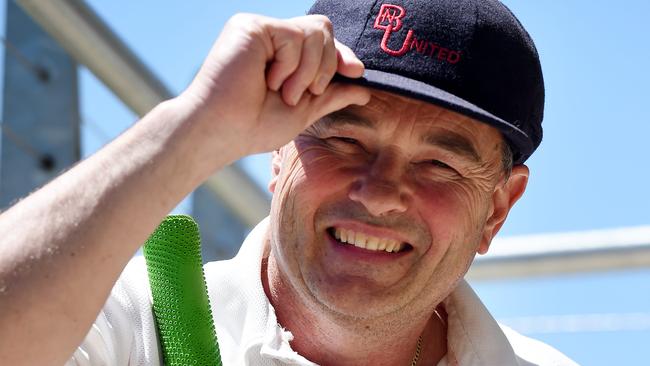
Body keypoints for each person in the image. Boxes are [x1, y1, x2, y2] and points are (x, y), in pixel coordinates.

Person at [0, 0, 579, 365]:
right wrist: (194, 125)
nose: (378, 192)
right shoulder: (131, 323)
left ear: (497, 212)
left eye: (440, 166)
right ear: (280, 153)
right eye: (345, 141)